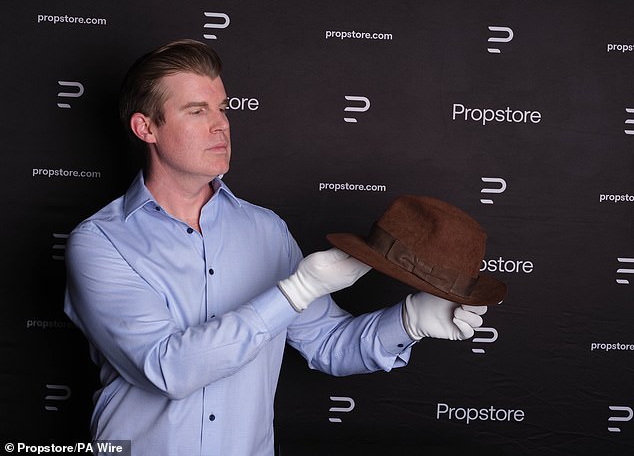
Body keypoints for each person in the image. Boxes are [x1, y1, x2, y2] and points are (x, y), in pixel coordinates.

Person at [64, 39, 490, 456]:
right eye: (197, 111)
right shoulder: (101, 242)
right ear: (146, 128)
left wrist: (409, 321)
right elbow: (166, 369)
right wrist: (295, 291)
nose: (221, 125)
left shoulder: (265, 229)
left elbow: (328, 343)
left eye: (222, 109)